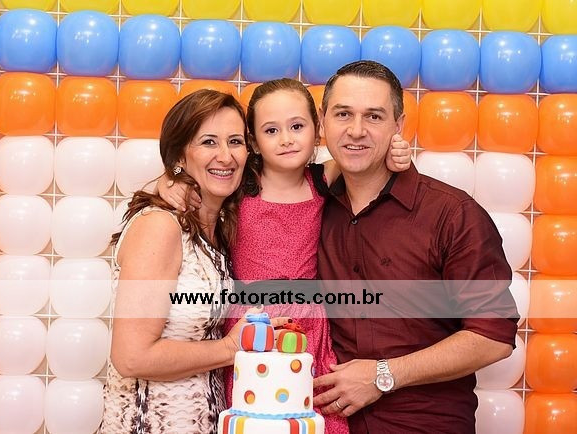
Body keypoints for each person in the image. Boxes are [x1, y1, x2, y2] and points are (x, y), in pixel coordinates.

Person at [158, 78, 412, 434]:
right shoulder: (239, 183)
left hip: (309, 323)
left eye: (297, 127)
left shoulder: (323, 178)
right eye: (271, 130)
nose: (287, 139)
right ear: (253, 141)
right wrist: (169, 180)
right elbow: (188, 174)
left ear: (317, 129)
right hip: (252, 322)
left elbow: (365, 154)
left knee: (312, 414)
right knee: (257, 415)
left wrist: (396, 150)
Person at [312, 61, 519, 433]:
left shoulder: (452, 214)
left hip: (423, 424)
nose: (356, 130)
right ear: (322, 122)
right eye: (343, 114)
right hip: (328, 423)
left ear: (398, 126)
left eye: (374, 116)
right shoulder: (310, 206)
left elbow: (493, 337)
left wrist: (383, 375)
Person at [100, 89, 287, 434]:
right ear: (180, 156)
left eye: (235, 142)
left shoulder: (218, 230)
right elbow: (131, 357)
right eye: (208, 142)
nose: (225, 156)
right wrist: (230, 348)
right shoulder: (160, 226)